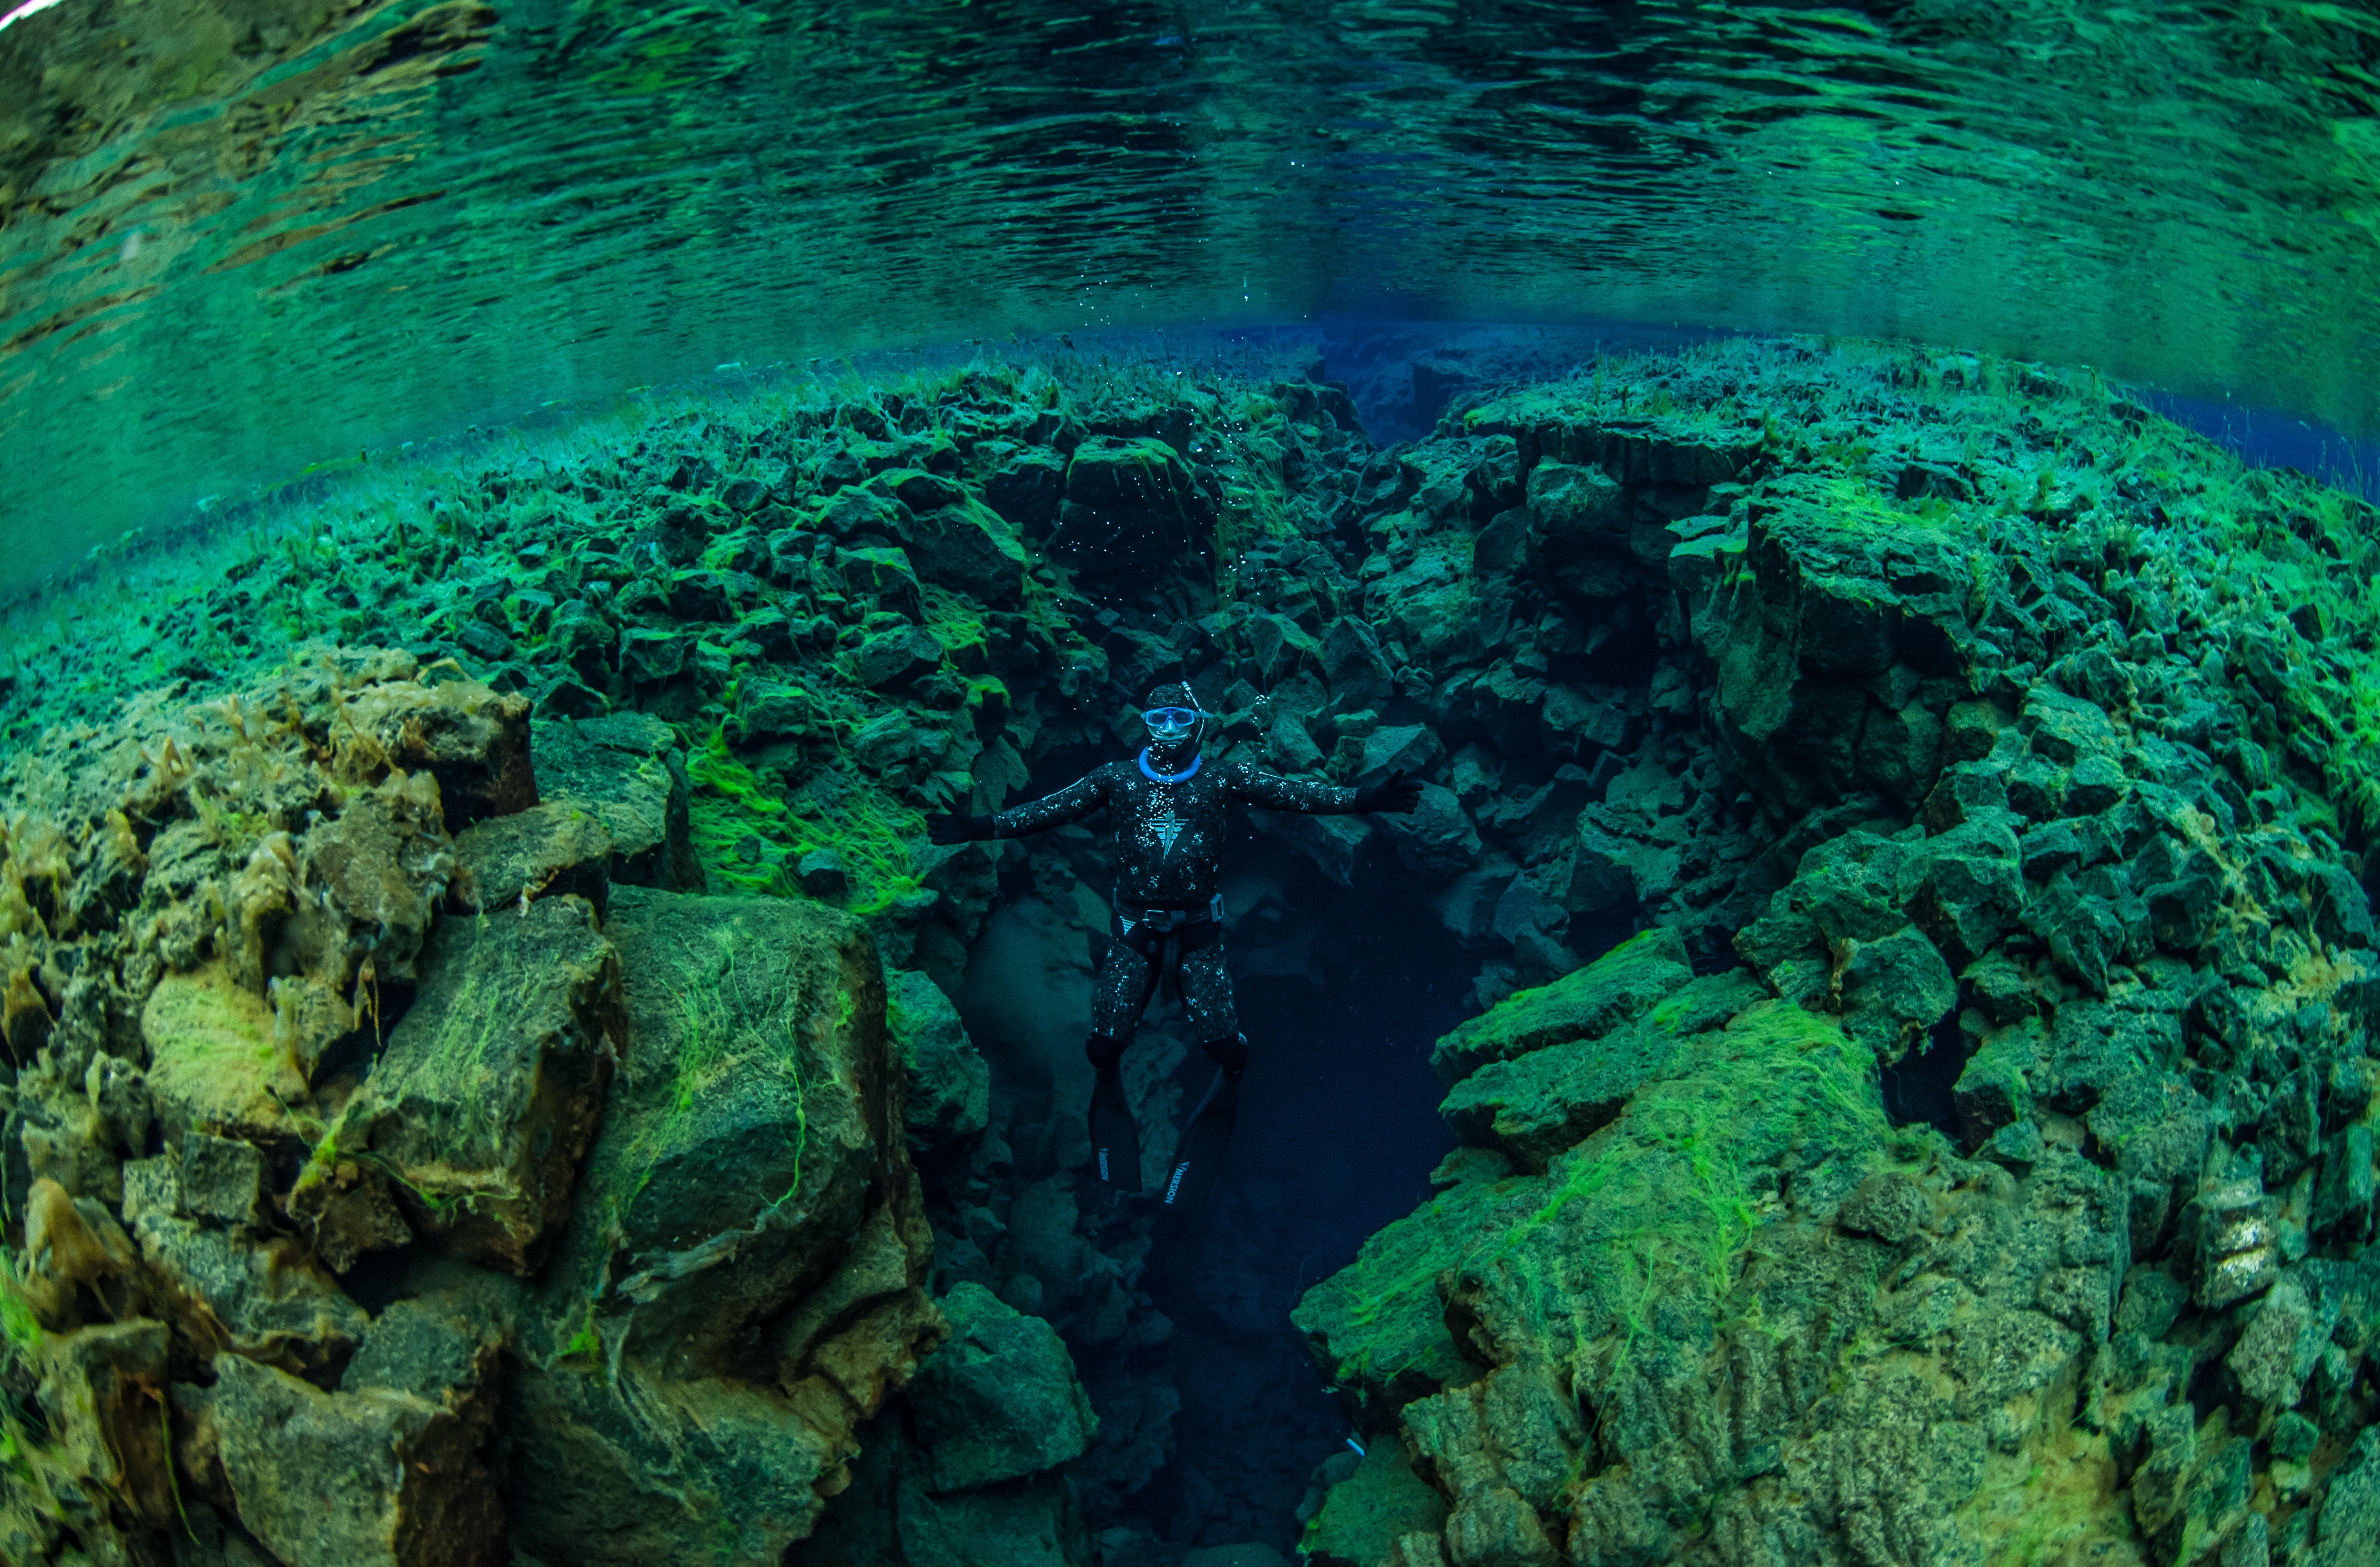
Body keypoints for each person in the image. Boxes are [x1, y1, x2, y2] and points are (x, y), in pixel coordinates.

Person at [928, 681, 1423, 1212]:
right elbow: (1051, 809)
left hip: (1196, 936)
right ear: (1144, 724)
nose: (1167, 730)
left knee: (1228, 1051)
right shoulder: (1117, 778)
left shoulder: (1222, 777)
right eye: (1157, 719)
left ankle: (1222, 1097)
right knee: (1102, 1050)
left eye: (1179, 720)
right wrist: (977, 827)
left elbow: (1293, 795)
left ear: (1198, 725)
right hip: (1135, 932)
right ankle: (1116, 1107)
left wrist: (1364, 800)